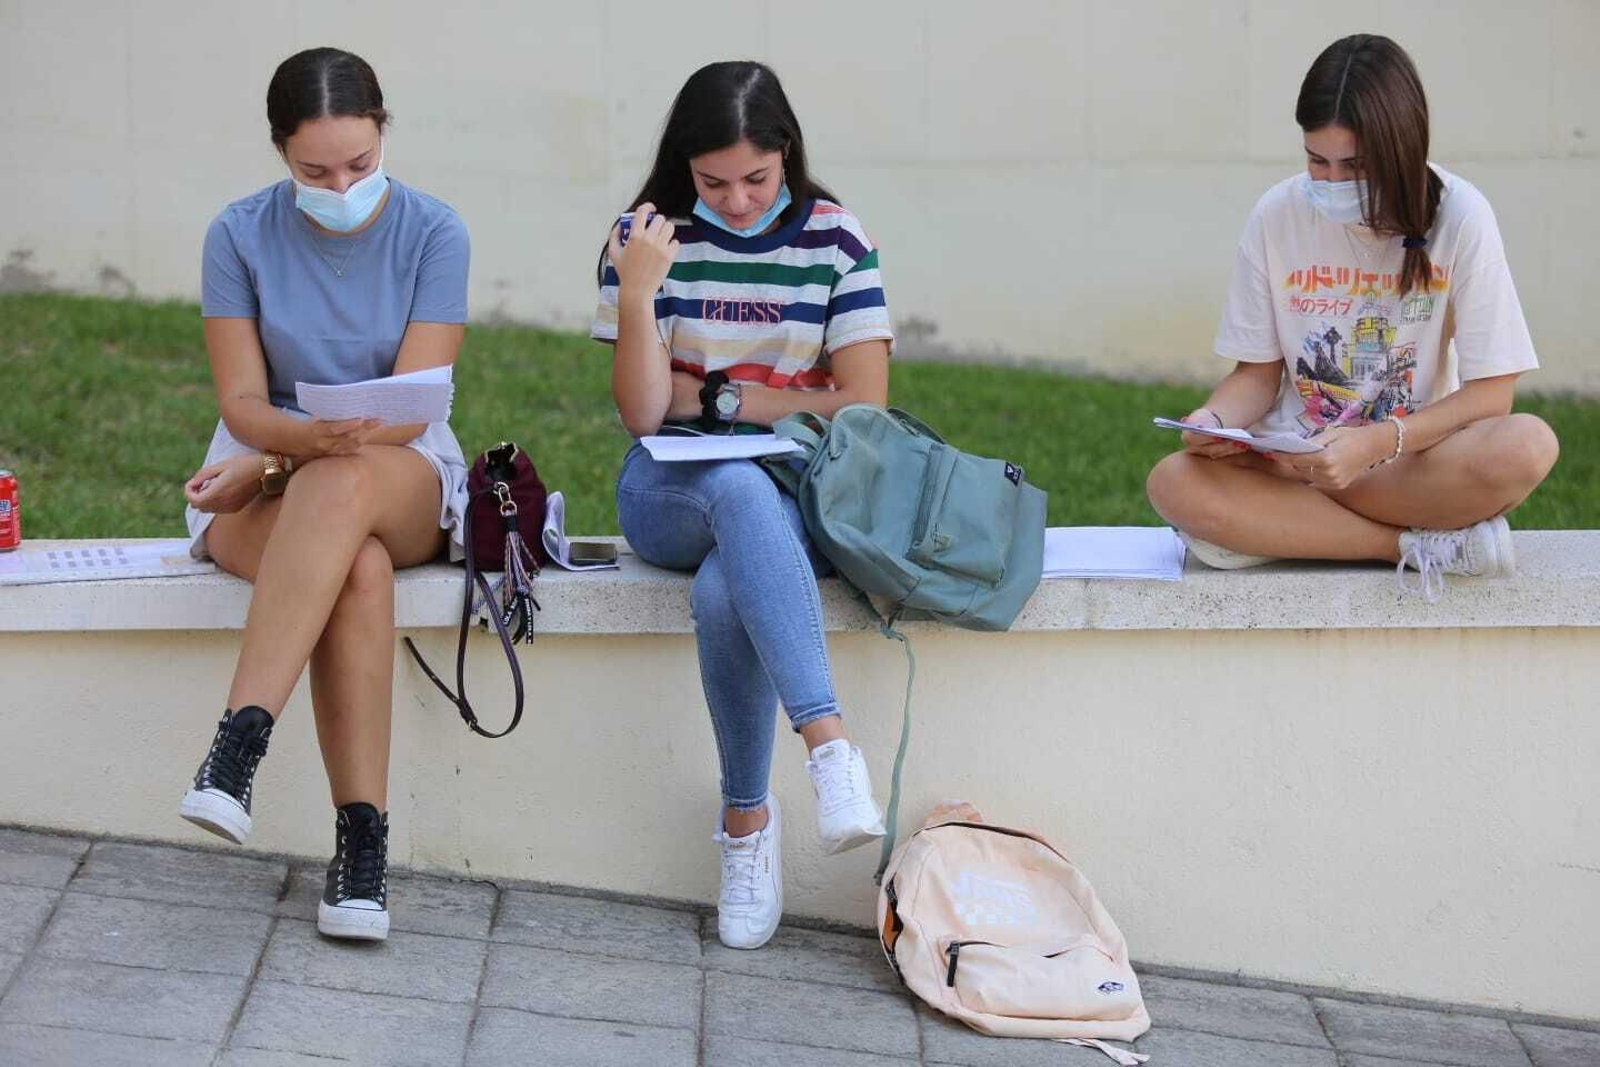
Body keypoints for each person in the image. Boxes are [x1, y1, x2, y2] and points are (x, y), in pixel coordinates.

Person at [594, 61, 892, 949]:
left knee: (732, 577)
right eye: (712, 181)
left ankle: (745, 829)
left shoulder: (836, 239)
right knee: (728, 485)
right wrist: (643, 289)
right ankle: (830, 745)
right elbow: (646, 411)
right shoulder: (643, 238)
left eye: (755, 179)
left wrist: (720, 398)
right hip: (667, 488)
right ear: (683, 165)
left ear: (785, 155)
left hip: (800, 497)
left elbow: (865, 404)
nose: (732, 199)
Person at [178, 47, 471, 941]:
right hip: (262, 470)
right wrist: (281, 453)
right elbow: (240, 404)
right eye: (315, 170)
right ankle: (361, 853)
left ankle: (237, 746)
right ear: (280, 152)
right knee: (359, 572)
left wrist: (284, 462)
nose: (340, 183)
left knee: (344, 486)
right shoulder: (236, 233)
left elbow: (412, 406)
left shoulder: (434, 231)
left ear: (384, 134)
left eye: (360, 163)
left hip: (396, 467)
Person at [1146, 34, 1558, 598]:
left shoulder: (1461, 215)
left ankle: (1286, 527)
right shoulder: (1276, 215)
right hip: (1298, 458)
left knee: (1528, 445)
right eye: (1318, 161)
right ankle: (1413, 546)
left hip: (1407, 463)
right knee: (1174, 482)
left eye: (1355, 166)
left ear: (1399, 152)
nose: (1332, 183)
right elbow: (1257, 376)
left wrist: (1375, 444)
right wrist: (1214, 421)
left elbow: (1492, 396)